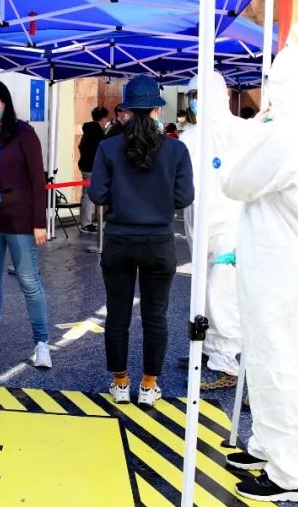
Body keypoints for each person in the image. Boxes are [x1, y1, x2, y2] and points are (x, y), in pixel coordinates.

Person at [220, 43, 298, 502]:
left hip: (278, 271)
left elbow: (234, 182)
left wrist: (254, 132)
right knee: (283, 363)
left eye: (276, 80)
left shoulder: (286, 136)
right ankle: (269, 447)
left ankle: (288, 473)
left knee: (278, 366)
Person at [88, 76, 193, 407]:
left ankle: (120, 382)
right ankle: (149, 386)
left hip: (118, 240)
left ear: (126, 111)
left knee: (117, 314)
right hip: (159, 242)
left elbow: (97, 194)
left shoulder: (107, 148)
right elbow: (184, 197)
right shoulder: (176, 149)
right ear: (157, 110)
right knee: (155, 316)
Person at [0, 80, 51, 369]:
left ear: (4, 104)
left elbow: (38, 180)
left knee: (29, 282)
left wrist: (39, 223)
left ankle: (42, 343)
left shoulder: (24, 134)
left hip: (20, 222)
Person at [179, 72, 244, 389]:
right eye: (192, 97)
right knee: (202, 291)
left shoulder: (239, 131)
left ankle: (227, 361)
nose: (195, 103)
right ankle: (206, 349)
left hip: (228, 226)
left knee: (222, 292)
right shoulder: (190, 136)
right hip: (199, 223)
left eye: (198, 95)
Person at [78, 107, 108, 232]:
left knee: (86, 194)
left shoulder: (88, 130)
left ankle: (86, 222)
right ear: (103, 119)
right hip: (92, 167)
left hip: (85, 166)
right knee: (88, 195)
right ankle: (86, 223)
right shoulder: (98, 133)